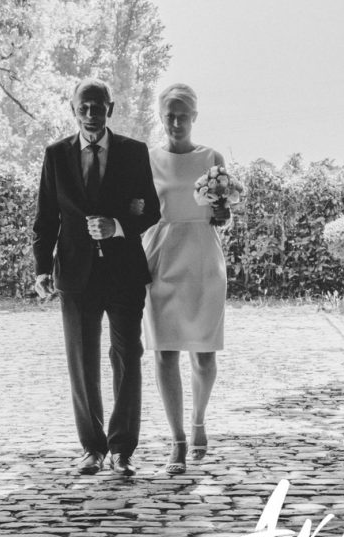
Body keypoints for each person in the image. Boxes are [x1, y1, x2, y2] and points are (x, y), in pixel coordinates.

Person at [33, 78, 161, 477]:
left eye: (98, 106)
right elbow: (46, 218)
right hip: (75, 273)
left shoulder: (134, 152)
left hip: (124, 272)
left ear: (111, 107)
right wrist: (40, 268)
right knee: (82, 362)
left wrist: (118, 226)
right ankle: (92, 448)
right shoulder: (55, 155)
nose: (91, 113)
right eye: (83, 107)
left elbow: (152, 210)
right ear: (73, 108)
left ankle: (122, 449)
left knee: (127, 358)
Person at [142, 83, 230, 475]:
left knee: (204, 353)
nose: (175, 122)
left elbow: (223, 212)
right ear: (161, 117)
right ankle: (176, 439)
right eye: (169, 115)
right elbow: (140, 210)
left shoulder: (211, 157)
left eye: (182, 115)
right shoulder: (148, 159)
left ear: (194, 117)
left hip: (202, 258)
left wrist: (224, 213)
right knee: (164, 352)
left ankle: (199, 419)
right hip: (161, 255)